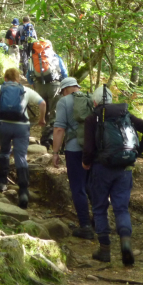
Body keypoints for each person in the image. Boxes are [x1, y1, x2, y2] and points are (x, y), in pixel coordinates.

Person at [82, 86, 143, 265]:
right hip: (124, 168)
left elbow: (89, 147)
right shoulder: (125, 115)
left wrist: (86, 162)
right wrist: (137, 152)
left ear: (95, 102)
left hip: (101, 169)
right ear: (112, 99)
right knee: (121, 208)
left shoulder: (93, 118)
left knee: (99, 208)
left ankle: (105, 250)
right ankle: (125, 243)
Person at [0, 68, 46, 209]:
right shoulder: (25, 90)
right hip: (21, 127)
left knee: (4, 152)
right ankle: (23, 193)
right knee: (21, 156)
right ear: (18, 79)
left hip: (4, 125)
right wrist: (42, 119)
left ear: (5, 78)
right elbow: (43, 103)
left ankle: (2, 183)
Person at [52, 77, 94, 239]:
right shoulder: (91, 99)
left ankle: (85, 226)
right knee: (92, 186)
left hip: (75, 150)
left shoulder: (64, 102)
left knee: (78, 187)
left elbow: (59, 129)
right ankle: (100, 222)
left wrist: (55, 153)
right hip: (94, 151)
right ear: (77, 87)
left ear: (64, 90)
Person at [26, 39, 67, 149]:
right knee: (54, 112)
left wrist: (33, 84)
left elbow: (28, 75)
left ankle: (44, 140)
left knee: (43, 113)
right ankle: (53, 138)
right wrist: (63, 85)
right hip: (54, 86)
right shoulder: (55, 57)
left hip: (39, 86)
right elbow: (64, 73)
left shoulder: (33, 58)